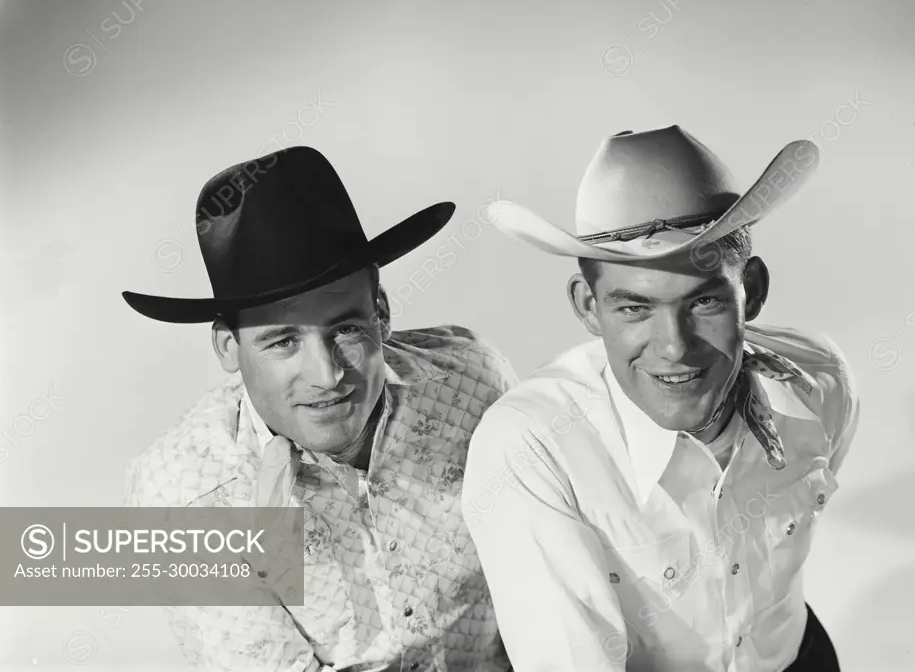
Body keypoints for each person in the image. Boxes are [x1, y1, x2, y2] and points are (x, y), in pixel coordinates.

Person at [461, 126, 860, 672]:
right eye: (634, 309)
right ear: (587, 306)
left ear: (755, 290)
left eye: (705, 304)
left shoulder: (818, 381)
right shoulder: (532, 447)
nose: (675, 348)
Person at [123, 146, 518, 672]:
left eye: (347, 328)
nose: (328, 375)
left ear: (381, 314)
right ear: (227, 348)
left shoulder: (472, 383)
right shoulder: (186, 493)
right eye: (283, 341)